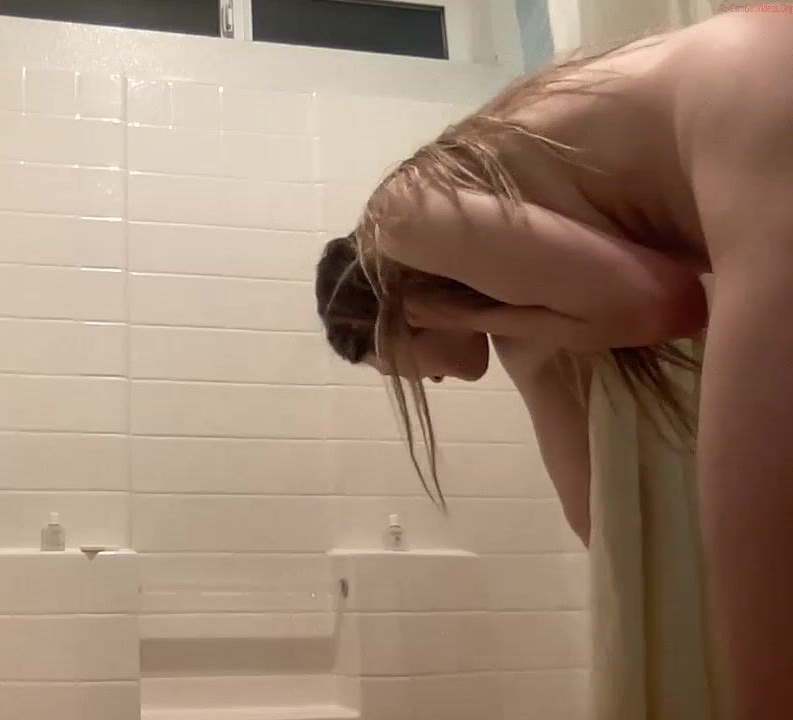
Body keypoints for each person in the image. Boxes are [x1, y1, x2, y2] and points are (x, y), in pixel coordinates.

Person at [314, 10, 792, 719]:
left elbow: (669, 305)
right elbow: (594, 513)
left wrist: (465, 315)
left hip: (751, 104)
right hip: (756, 84)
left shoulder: (400, 214)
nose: (429, 379)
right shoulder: (515, 280)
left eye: (399, 367)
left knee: (764, 666)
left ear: (383, 317)